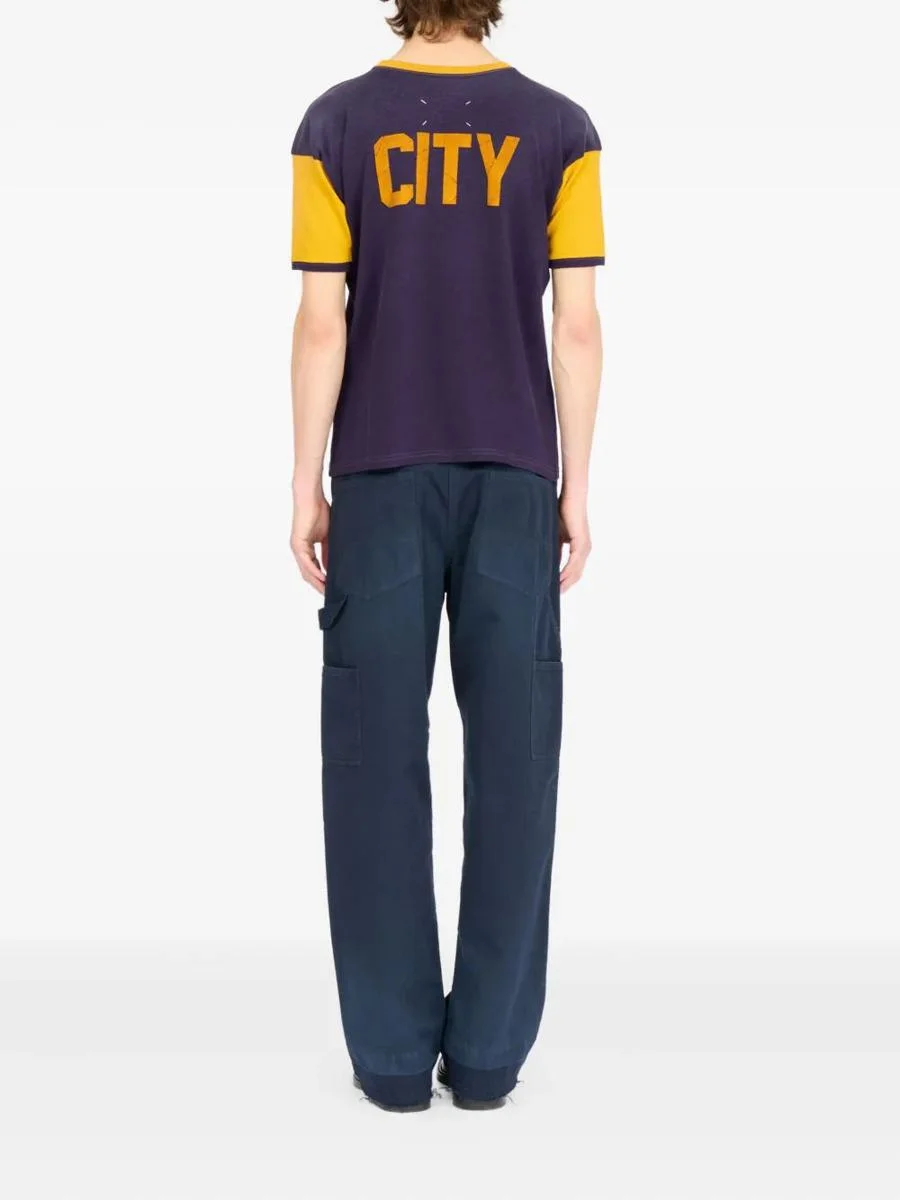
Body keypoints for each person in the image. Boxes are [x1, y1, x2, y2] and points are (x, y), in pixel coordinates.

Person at [289, 0, 604, 1113]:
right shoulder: (561, 130)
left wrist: (305, 480)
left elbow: (321, 320)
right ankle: (487, 1061)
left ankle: (389, 1062)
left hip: (379, 474)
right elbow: (576, 324)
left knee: (373, 762)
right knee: (517, 763)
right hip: (514, 475)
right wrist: (575, 484)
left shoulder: (334, 126)